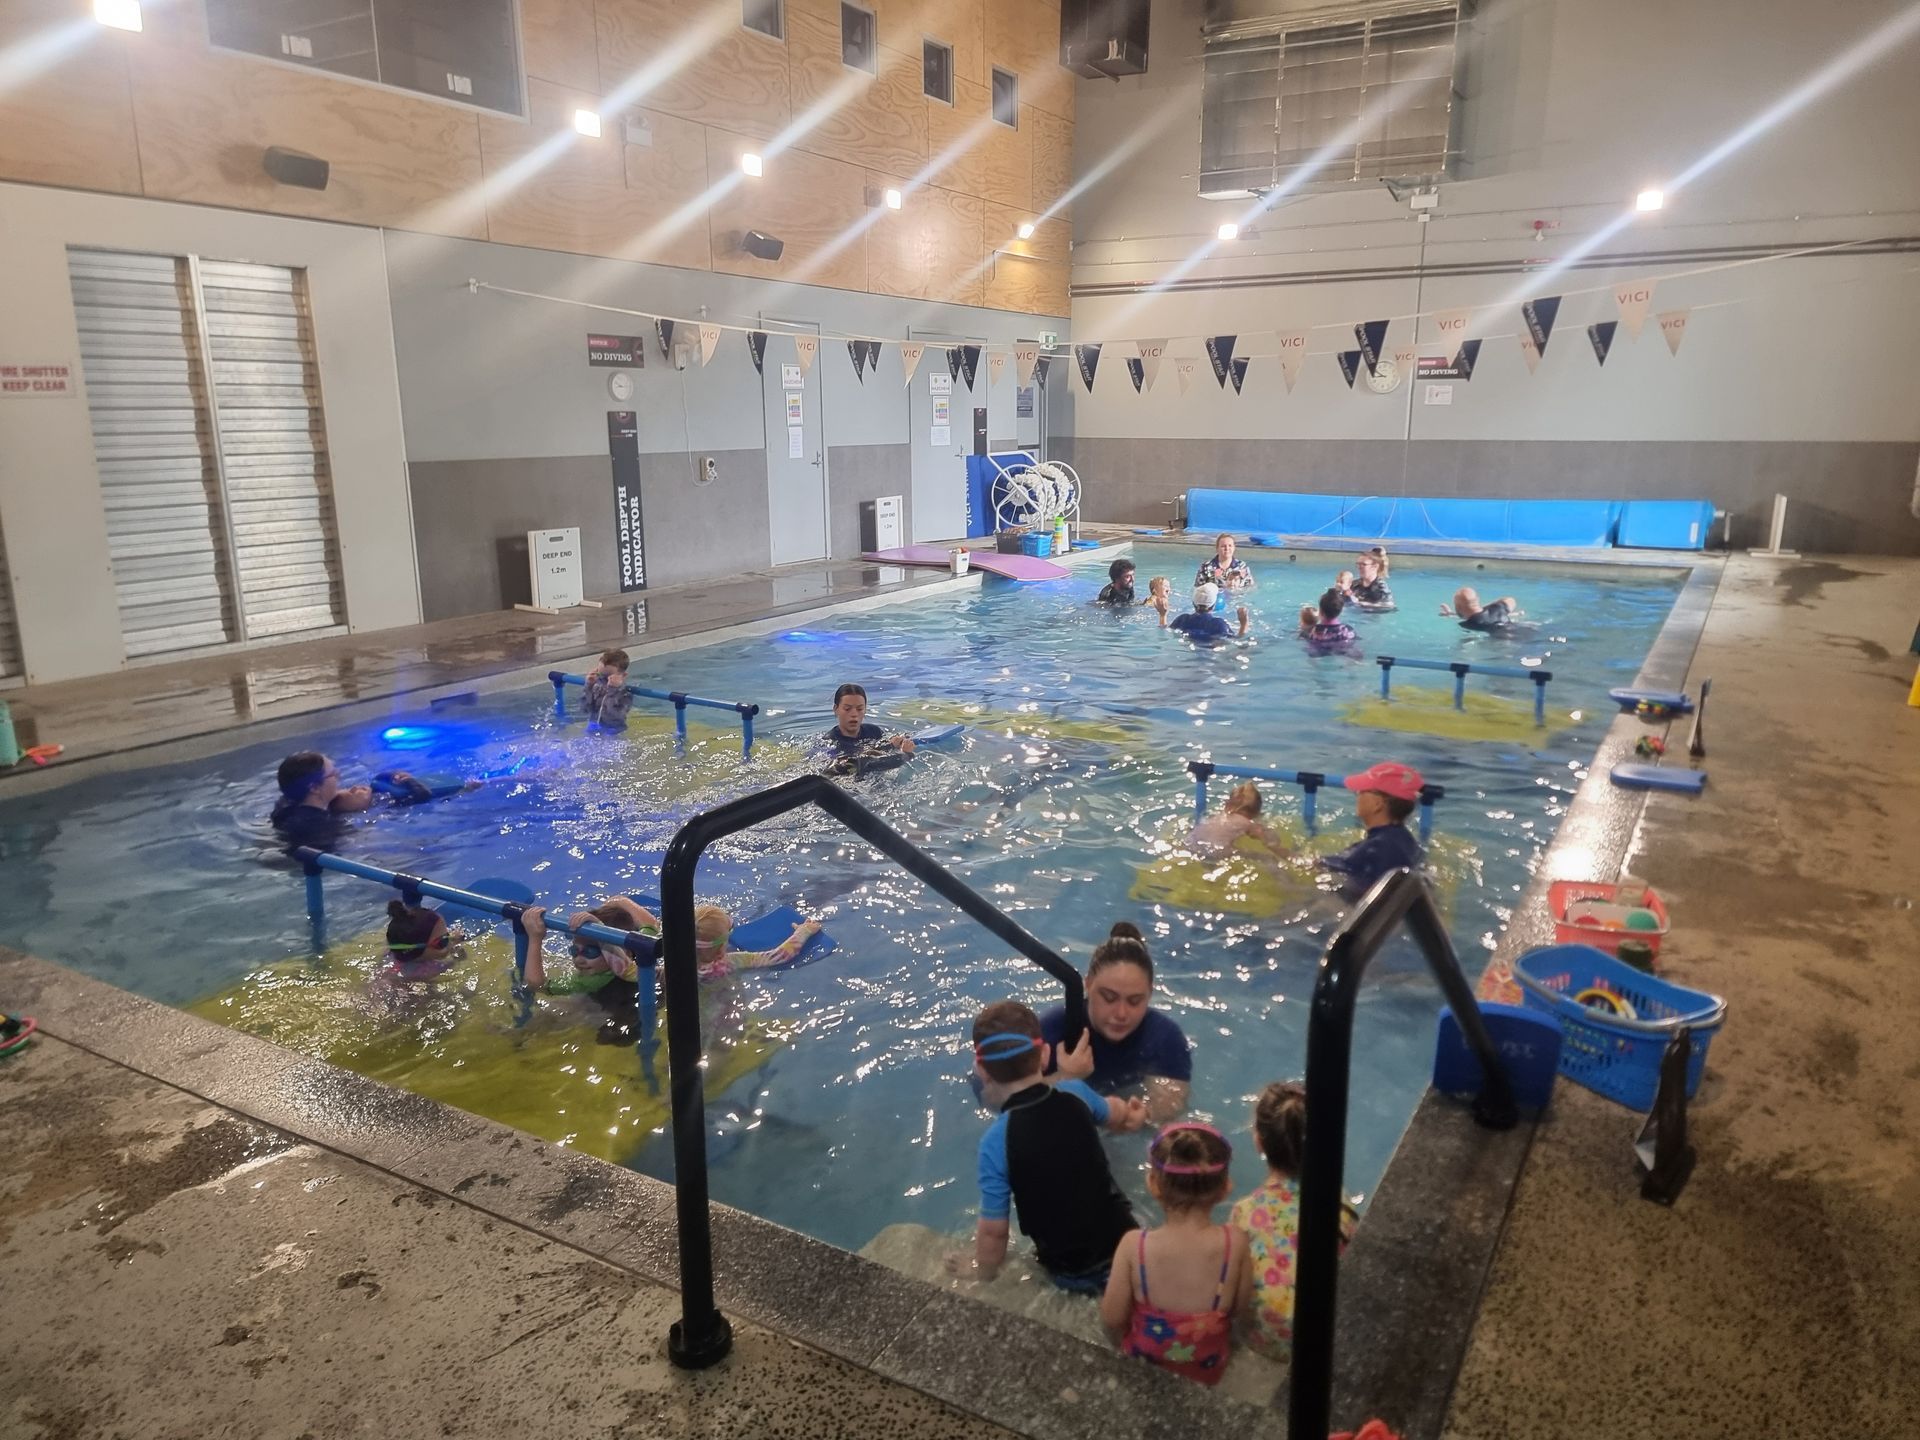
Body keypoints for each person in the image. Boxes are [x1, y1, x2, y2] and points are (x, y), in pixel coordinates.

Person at [954, 1000, 1146, 1293]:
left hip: (1073, 1272)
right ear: (1044, 1055)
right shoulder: (1075, 1092)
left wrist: (982, 1272)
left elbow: (994, 1232)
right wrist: (1133, 1113)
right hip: (1129, 1245)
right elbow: (1114, 1112)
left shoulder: (994, 1142)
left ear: (982, 1071)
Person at [1099, 1123, 1251, 1387]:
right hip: (1209, 1369)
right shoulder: (1234, 1243)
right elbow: (1239, 1307)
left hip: (1145, 1365)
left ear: (1153, 1184)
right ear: (1226, 1187)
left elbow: (1112, 1318)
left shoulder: (1135, 1246)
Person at [1231, 1082, 1358, 1361]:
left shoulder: (1245, 1211)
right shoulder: (1338, 1199)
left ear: (1258, 1142)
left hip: (1267, 1340)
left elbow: (1234, 1286)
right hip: (1325, 1336)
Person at [1040, 923, 1191, 1121]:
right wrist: (1065, 1079)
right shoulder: (1054, 1030)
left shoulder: (1164, 1037)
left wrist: (1145, 1114)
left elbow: (1173, 1103)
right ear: (1088, 984)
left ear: (1150, 994)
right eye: (1109, 998)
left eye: (1134, 1001)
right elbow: (999, 1099)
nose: (1121, 1013)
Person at [268, 753, 469, 854]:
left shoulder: (288, 803)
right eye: (332, 774)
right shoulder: (321, 828)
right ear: (314, 788)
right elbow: (374, 848)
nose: (339, 776)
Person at [1320, 762, 1425, 899]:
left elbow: (1326, 866)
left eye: (1362, 791)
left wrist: (1283, 853)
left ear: (1377, 804)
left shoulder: (1375, 848)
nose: (1358, 796)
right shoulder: (1405, 840)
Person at [822, 683, 916, 773]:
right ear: (835, 709)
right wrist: (905, 755)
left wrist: (897, 745)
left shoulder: (874, 732)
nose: (854, 714)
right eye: (847, 709)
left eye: (859, 709)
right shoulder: (830, 743)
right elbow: (853, 767)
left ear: (865, 709)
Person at [1189, 782, 1287, 859]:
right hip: (1218, 851)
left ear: (1228, 804)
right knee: (1268, 859)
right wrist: (1292, 857)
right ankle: (1290, 885)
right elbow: (1271, 845)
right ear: (1257, 812)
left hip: (1191, 844)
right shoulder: (1249, 824)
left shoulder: (1218, 816)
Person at [382, 900, 467, 981]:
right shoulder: (427, 972)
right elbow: (458, 960)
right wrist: (457, 950)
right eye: (443, 942)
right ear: (417, 951)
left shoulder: (394, 952)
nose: (449, 940)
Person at [1161, 582, 1249, 642]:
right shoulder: (1218, 624)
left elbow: (1164, 630)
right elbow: (1238, 640)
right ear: (1214, 605)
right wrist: (1243, 624)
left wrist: (1163, 615)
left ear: (1193, 603)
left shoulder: (1183, 619)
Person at [584, 648, 635, 729]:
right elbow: (585, 709)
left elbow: (613, 715)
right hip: (593, 725)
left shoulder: (626, 694)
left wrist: (613, 691)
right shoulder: (597, 686)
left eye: (608, 677)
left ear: (623, 676)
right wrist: (589, 686)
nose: (602, 681)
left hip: (613, 730)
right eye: (600, 675)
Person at [1303, 588, 1361, 658]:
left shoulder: (1311, 632)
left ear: (1320, 611)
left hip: (1317, 653)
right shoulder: (1348, 631)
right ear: (1341, 611)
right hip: (1342, 650)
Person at [1440, 586, 1520, 631]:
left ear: (1458, 607)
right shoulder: (1498, 608)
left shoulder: (1466, 625)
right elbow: (1511, 600)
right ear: (1478, 599)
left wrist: (1452, 615)